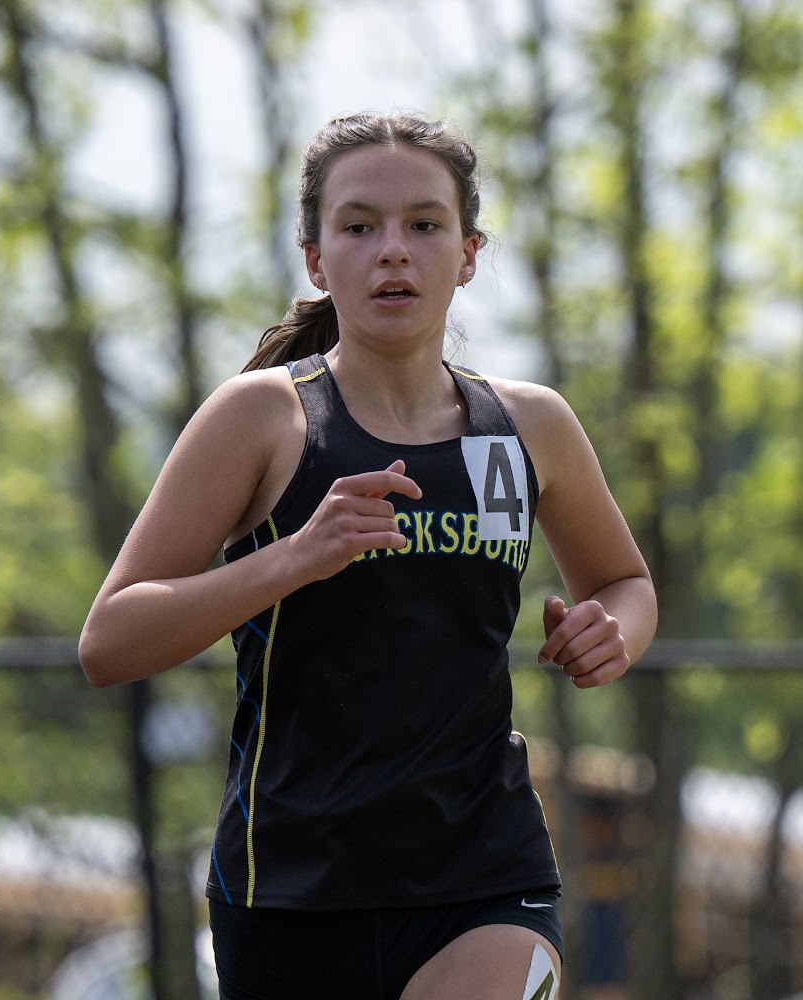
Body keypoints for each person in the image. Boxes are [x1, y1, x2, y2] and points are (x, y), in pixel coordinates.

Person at [79, 111, 656, 1000]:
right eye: (359, 227)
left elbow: (624, 582)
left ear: (467, 253)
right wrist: (292, 559)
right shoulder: (261, 418)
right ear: (316, 259)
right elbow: (109, 642)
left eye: (424, 224)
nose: (393, 250)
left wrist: (611, 629)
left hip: (486, 870)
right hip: (294, 884)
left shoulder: (528, 425)